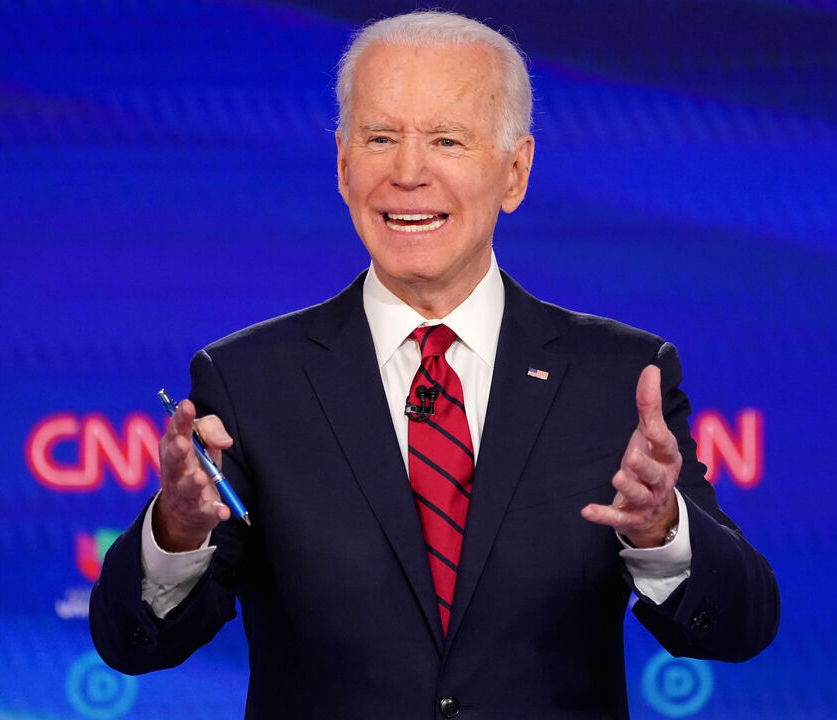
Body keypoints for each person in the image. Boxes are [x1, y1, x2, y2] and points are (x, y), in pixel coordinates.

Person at [90, 10, 778, 719]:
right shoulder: (249, 381)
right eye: (380, 139)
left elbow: (741, 626)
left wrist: (661, 530)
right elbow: (133, 645)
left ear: (515, 173)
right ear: (343, 165)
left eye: (446, 140)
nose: (408, 173)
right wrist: (177, 531)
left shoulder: (618, 381)